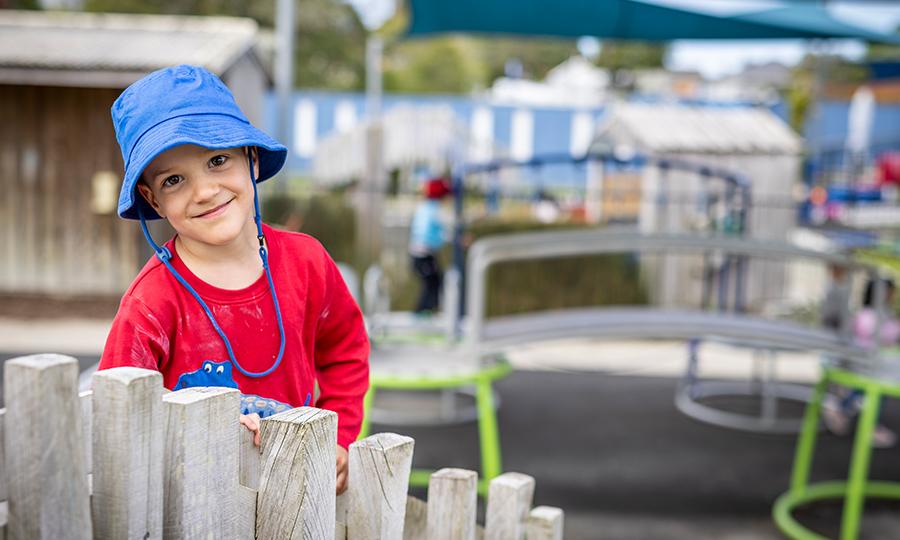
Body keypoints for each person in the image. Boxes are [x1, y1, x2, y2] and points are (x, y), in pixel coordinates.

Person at [98, 65, 369, 494]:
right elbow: (117, 413)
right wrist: (197, 428)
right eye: (174, 180)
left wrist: (339, 438)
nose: (204, 191)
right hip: (193, 504)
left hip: (296, 493)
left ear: (251, 158)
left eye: (217, 160)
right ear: (152, 198)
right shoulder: (151, 301)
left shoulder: (307, 261)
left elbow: (344, 350)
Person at [823, 277, 900, 448]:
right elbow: (878, 336)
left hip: (876, 364)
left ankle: (841, 409)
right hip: (867, 364)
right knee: (875, 389)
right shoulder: (867, 315)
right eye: (889, 292)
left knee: (867, 391)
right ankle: (866, 423)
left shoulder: (885, 314)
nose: (892, 296)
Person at [408, 177, 451, 314]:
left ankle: (426, 312)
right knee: (433, 284)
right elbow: (445, 231)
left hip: (420, 253)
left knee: (434, 282)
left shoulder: (425, 207)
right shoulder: (434, 210)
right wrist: (458, 239)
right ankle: (422, 313)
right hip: (423, 254)